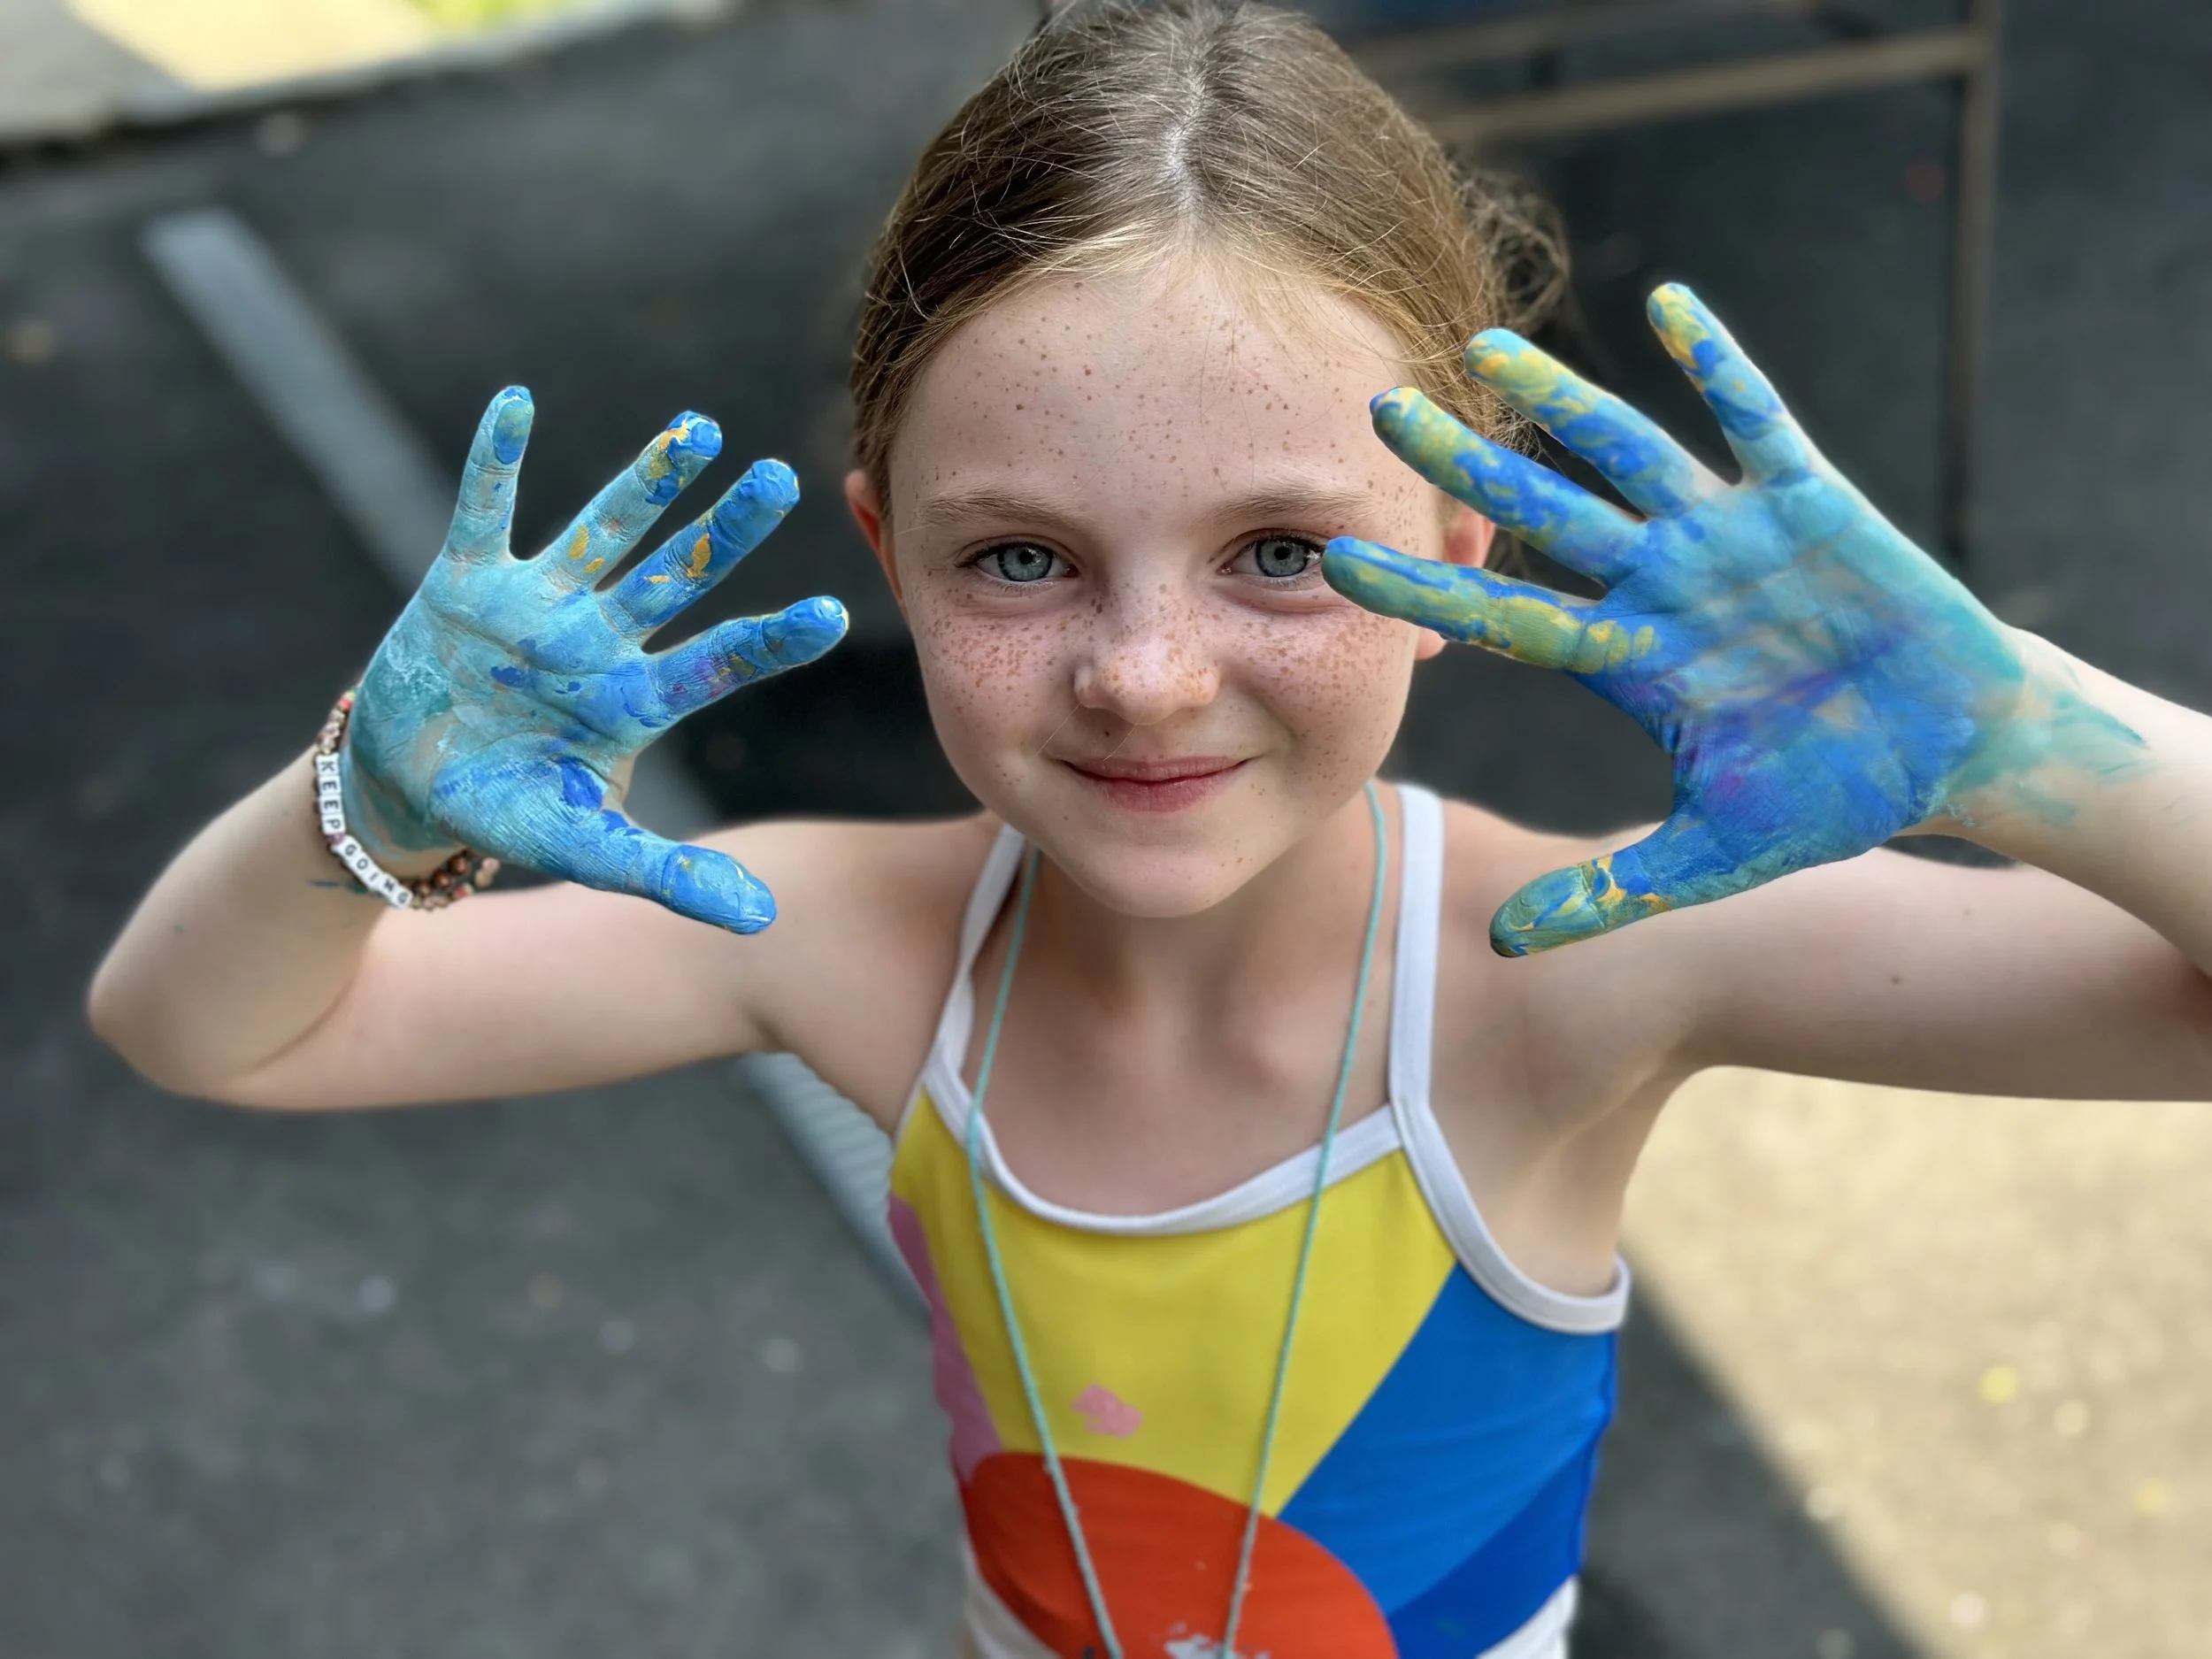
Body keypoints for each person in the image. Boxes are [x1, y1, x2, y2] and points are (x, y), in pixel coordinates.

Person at [88, 4, 2212, 1656]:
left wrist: (2017, 737)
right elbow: (212, 1028)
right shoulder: (828, 935)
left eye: (1278, 550)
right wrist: (355, 793)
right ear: (890, 555)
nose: (1142, 674)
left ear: (1460, 536)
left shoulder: (1564, 972)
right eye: (1018, 562)